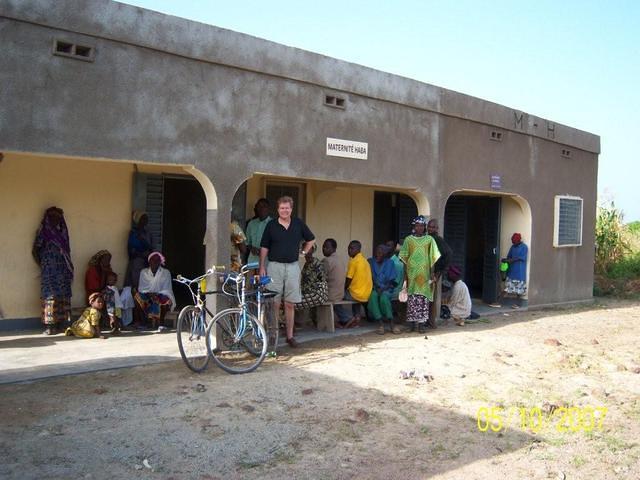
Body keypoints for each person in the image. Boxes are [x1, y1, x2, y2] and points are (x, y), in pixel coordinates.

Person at [259, 196, 315, 348]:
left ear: (291, 209)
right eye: (282, 208)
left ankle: (290, 336)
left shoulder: (298, 223)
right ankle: (273, 335)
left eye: (287, 208)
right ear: (278, 210)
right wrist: (262, 267)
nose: (284, 210)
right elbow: (264, 247)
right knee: (274, 303)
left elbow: (311, 239)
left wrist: (303, 253)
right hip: (274, 266)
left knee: (290, 303)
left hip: (292, 267)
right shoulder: (271, 225)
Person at [32, 206, 74, 335]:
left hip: (63, 269)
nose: (55, 219)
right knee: (50, 296)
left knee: (63, 295)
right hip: (49, 269)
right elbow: (35, 250)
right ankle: (50, 326)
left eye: (57, 217)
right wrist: (45, 262)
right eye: (52, 217)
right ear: (47, 218)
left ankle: (61, 323)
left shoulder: (63, 232)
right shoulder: (43, 231)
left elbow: (68, 250)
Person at [399, 215, 441, 334]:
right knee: (412, 299)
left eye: (422, 226)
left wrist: (433, 274)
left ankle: (421, 325)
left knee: (423, 299)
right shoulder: (408, 240)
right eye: (417, 225)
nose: (420, 228)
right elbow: (404, 258)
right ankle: (412, 325)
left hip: (425, 275)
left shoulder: (429, 240)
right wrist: (405, 276)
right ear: (414, 226)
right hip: (412, 275)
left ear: (425, 227)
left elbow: (433, 257)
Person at [335, 240, 373, 328]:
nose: (349, 250)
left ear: (358, 249)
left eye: (352, 248)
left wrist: (342, 290)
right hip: (366, 294)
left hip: (356, 294)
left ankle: (347, 318)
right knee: (355, 296)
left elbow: (348, 280)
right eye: (348, 248)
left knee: (335, 298)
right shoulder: (365, 261)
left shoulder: (353, 261)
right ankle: (357, 319)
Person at [134, 251, 176, 330]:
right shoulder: (144, 272)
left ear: (160, 262)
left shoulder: (166, 272)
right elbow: (141, 288)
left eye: (157, 260)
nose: (155, 262)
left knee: (165, 299)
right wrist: (150, 294)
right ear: (149, 261)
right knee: (137, 297)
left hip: (161, 294)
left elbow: (167, 288)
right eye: (153, 260)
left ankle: (161, 323)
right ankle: (142, 322)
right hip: (147, 294)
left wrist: (156, 294)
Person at [368, 244, 400, 334]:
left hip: (387, 288)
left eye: (380, 253)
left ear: (385, 254)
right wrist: (377, 287)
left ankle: (391, 324)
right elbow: (370, 278)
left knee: (384, 298)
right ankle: (380, 324)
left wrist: (383, 289)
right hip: (376, 288)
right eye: (376, 253)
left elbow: (392, 281)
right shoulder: (371, 262)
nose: (377, 255)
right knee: (373, 296)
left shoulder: (390, 263)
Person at [427, 218, 453, 328]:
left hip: (433, 273)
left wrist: (439, 271)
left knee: (431, 297)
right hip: (424, 271)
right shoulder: (426, 238)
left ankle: (431, 322)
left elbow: (448, 253)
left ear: (437, 228)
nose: (431, 229)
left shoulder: (437, 240)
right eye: (430, 226)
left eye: (433, 227)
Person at [321, 238, 348, 324]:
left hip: (330, 295)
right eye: (323, 246)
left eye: (326, 247)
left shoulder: (327, 261)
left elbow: (321, 278)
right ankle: (345, 318)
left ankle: (321, 322)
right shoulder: (341, 259)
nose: (324, 249)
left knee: (312, 298)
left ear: (333, 249)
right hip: (340, 293)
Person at [125, 211, 153, 290]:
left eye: (146, 218)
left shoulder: (148, 233)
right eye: (143, 218)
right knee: (136, 282)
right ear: (138, 220)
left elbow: (151, 247)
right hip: (137, 261)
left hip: (148, 261)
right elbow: (130, 249)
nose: (146, 220)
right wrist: (141, 255)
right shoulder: (133, 232)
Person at [295, 244, 328, 310]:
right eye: (303, 248)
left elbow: (322, 281)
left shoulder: (317, 263)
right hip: (310, 294)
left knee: (292, 304)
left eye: (308, 248)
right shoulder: (306, 264)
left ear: (312, 250)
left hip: (318, 294)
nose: (305, 250)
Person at [503, 233, 528, 308]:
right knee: (507, 286)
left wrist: (510, 260)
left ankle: (518, 304)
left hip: (519, 271)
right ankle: (498, 301)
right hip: (512, 271)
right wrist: (506, 260)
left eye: (513, 241)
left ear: (518, 240)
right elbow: (509, 256)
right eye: (512, 240)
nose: (512, 242)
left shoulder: (524, 247)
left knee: (519, 290)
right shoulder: (513, 247)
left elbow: (520, 258)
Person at [245, 198, 272, 266]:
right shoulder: (251, 224)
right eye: (259, 206)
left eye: (264, 206)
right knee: (251, 277)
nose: (261, 208)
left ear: (268, 209)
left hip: (268, 262)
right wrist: (252, 248)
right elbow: (247, 242)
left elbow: (277, 245)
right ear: (256, 208)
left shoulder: (273, 224)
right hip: (253, 262)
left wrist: (265, 251)